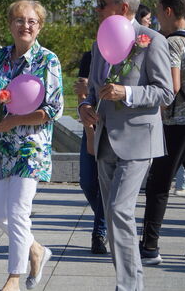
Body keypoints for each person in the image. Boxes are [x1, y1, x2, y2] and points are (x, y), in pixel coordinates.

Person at [78, 0, 173, 291]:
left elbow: (165, 92)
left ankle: (128, 286)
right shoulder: (99, 41)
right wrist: (85, 107)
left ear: (122, 7)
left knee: (119, 210)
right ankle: (131, 283)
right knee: (114, 214)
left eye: (101, 3)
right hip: (105, 139)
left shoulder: (152, 40)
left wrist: (126, 92)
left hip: (138, 140)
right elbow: (92, 89)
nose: (96, 9)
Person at [0, 0, 63, 291]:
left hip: (30, 148)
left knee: (18, 212)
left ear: (40, 27)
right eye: (19, 20)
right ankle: (36, 249)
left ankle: (14, 277)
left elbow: (53, 109)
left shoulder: (48, 60)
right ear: (10, 24)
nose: (25, 25)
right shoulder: (0, 57)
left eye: (32, 21)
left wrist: (16, 121)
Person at [140, 0, 185, 264]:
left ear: (168, 11)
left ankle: (149, 245)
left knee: (158, 184)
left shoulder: (172, 43)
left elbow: (171, 88)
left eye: (158, 10)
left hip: (178, 124)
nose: (156, 15)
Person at [74, 50, 107, 255]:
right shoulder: (90, 56)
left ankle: (99, 233)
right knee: (87, 182)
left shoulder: (130, 55)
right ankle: (111, 220)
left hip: (117, 126)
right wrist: (88, 129)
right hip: (92, 123)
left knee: (105, 184)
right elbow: (81, 93)